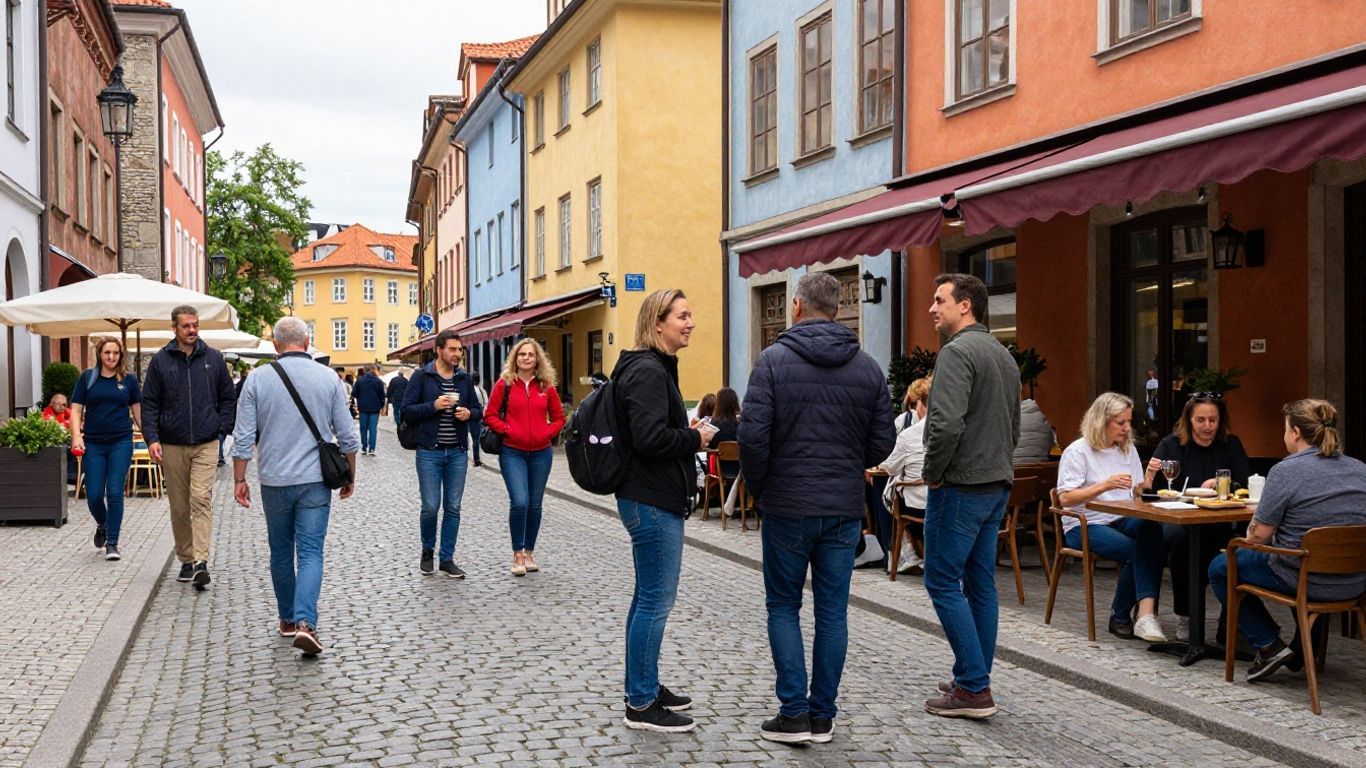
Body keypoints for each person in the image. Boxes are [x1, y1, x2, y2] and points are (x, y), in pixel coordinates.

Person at [739, 272, 895, 744]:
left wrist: (763, 489)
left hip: (786, 504)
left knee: (783, 604)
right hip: (843, 507)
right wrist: (850, 465)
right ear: (837, 309)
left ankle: (793, 713)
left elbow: (752, 439)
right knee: (833, 611)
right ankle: (822, 715)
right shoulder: (867, 368)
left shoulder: (771, 362)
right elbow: (881, 444)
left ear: (797, 307)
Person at [920, 273, 1020, 720]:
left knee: (941, 581)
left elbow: (943, 426)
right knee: (980, 584)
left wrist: (932, 474)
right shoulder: (1003, 355)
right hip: (996, 483)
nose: (931, 308)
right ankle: (972, 676)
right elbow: (1013, 428)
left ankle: (974, 688)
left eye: (940, 300)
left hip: (960, 485)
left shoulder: (957, 353)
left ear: (965, 306)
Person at [1209, 399, 1366, 681]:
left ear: (1295, 432)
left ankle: (1269, 645)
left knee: (1222, 566)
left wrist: (1246, 538)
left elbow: (1258, 536)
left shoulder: (1286, 471)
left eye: (1284, 429)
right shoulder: (1360, 469)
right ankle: (1304, 648)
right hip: (1354, 582)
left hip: (1305, 578)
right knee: (1302, 555)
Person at [232, 317, 358, 657]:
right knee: (311, 552)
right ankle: (306, 623)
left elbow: (243, 438)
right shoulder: (328, 377)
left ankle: (288, 620)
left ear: (276, 345)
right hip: (316, 481)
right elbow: (348, 436)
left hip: (274, 480)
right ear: (307, 341)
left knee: (280, 552)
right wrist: (350, 474)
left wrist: (239, 478)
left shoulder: (256, 379)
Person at [613, 288, 708, 733]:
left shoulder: (651, 367)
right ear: (658, 323)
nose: (690, 323)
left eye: (690, 315)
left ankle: (643, 683)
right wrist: (695, 439)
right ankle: (642, 703)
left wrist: (680, 429)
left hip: (649, 496)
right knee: (656, 599)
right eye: (682, 316)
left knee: (645, 598)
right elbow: (650, 439)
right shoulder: (649, 371)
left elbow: (647, 430)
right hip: (651, 499)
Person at [1057, 393, 1168, 643]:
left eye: (1129, 421)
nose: (1128, 428)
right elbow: (1065, 498)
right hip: (1084, 523)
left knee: (1152, 530)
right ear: (1101, 420)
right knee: (1136, 550)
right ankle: (1120, 616)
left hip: (1120, 517)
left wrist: (1147, 482)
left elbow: (1135, 492)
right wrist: (1104, 485)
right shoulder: (1078, 451)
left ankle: (1144, 615)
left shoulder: (1127, 450)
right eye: (1121, 422)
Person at [1139, 392, 1250, 639]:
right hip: (1177, 521)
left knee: (1240, 546)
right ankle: (1186, 617)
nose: (1207, 426)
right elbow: (1152, 488)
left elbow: (1243, 483)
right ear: (1189, 419)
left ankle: (1230, 619)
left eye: (1213, 420)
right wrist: (1147, 480)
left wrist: (1223, 484)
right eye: (1201, 420)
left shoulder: (1230, 445)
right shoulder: (1171, 445)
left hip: (1218, 521)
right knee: (1182, 545)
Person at [142, 305, 237, 588]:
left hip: (206, 442)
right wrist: (152, 438)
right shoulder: (161, 361)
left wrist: (222, 428)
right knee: (180, 505)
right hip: (172, 443)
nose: (192, 330)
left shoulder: (214, 359)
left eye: (195, 325)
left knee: (200, 499)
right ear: (174, 328)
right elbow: (149, 403)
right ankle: (185, 558)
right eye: (186, 326)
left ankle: (201, 561)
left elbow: (228, 397)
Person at [400, 330, 482, 578]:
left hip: (457, 451)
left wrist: (469, 413)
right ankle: (427, 550)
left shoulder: (464, 379)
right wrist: (433, 406)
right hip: (429, 451)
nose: (457, 354)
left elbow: (478, 410)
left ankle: (447, 558)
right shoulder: (422, 376)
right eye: (452, 349)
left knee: (453, 507)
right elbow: (406, 411)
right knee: (430, 506)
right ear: (439, 349)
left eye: (460, 350)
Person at [482, 340, 565, 577]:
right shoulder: (504, 384)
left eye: (531, 354)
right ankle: (517, 552)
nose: (526, 358)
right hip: (512, 452)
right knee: (520, 501)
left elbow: (559, 418)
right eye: (522, 354)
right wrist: (508, 430)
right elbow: (489, 415)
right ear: (515, 358)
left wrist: (546, 432)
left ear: (537, 359)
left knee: (535, 504)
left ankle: (529, 551)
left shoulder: (546, 386)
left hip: (541, 453)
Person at [69, 338, 142, 561]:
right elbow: (76, 411)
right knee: (93, 494)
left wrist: (153, 439)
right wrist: (76, 436)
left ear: (121, 355)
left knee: (114, 491)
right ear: (99, 354)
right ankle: (103, 523)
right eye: (107, 353)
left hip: (121, 441)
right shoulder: (87, 378)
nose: (111, 357)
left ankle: (112, 543)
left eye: (116, 353)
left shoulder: (129, 380)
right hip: (94, 443)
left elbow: (139, 413)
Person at [880, 376, 933, 576]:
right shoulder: (959, 430)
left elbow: (889, 467)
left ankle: (894, 553)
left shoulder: (909, 433)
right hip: (951, 501)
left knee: (884, 490)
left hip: (918, 504)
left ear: (922, 404)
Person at [351, 365, 386, 456]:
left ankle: (363, 447)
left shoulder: (360, 380)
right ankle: (372, 449)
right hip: (375, 408)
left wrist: (360, 398)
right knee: (373, 428)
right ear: (373, 370)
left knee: (363, 428)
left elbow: (354, 393)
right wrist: (381, 406)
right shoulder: (378, 381)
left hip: (363, 408)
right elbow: (382, 396)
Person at [708, 387, 740, 481]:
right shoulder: (741, 425)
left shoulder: (714, 425)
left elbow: (710, 446)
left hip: (718, 470)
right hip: (740, 469)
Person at [1014, 399, 1056, 464]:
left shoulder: (1010, 417)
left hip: (1013, 467)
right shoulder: (1042, 416)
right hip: (1040, 467)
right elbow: (1052, 442)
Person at [469, 371, 488, 467]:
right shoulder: (482, 390)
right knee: (477, 438)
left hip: (471, 417)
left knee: (474, 439)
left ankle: (475, 459)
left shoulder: (470, 390)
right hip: (480, 416)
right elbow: (486, 404)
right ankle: (477, 459)